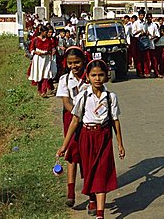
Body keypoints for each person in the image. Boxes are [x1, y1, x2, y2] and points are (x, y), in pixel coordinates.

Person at [57, 59, 125, 219]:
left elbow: (115, 120)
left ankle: (100, 214)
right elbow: (75, 120)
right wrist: (64, 146)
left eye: (101, 75)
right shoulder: (83, 96)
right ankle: (92, 198)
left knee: (101, 172)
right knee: (89, 171)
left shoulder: (111, 97)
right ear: (87, 77)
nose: (97, 78)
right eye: (94, 75)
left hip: (104, 136)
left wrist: (120, 144)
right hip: (86, 137)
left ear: (106, 76)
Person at [55, 46, 88, 208]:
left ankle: (92, 193)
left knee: (88, 154)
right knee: (71, 153)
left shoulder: (90, 77)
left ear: (83, 61)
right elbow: (66, 102)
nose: (74, 66)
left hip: (89, 119)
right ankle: (70, 192)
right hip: (71, 118)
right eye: (70, 63)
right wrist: (77, 113)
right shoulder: (64, 80)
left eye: (77, 62)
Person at [28, 25, 58, 97]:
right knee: (39, 74)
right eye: (45, 32)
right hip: (38, 59)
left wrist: (49, 52)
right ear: (41, 32)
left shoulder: (48, 40)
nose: (46, 33)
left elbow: (50, 49)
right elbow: (31, 49)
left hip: (46, 58)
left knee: (46, 73)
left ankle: (44, 91)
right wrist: (36, 52)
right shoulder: (35, 39)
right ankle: (40, 90)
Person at [132, 10, 148, 77]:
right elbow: (133, 33)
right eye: (141, 15)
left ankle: (144, 71)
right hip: (137, 40)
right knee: (138, 57)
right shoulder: (135, 23)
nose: (142, 16)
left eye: (143, 15)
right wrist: (139, 31)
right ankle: (139, 72)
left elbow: (146, 31)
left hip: (144, 40)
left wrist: (145, 33)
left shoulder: (145, 23)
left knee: (144, 57)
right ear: (139, 16)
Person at [145, 13, 161, 77]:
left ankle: (156, 72)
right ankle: (147, 72)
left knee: (154, 59)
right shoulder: (144, 25)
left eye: (150, 17)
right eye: (148, 17)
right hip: (145, 44)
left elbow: (158, 35)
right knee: (146, 59)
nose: (149, 19)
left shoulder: (154, 25)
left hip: (152, 44)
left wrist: (153, 37)